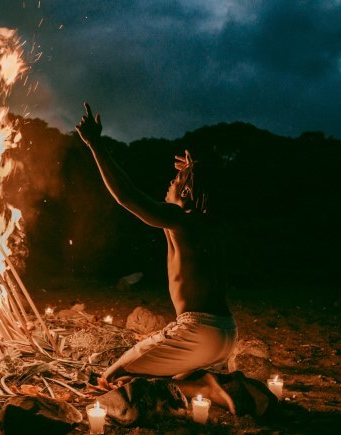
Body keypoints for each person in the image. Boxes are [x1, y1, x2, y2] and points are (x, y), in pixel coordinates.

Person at [76, 102, 242, 413]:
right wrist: (196, 170)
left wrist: (95, 144)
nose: (170, 182)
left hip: (197, 331)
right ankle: (215, 381)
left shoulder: (180, 218)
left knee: (114, 377)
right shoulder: (210, 228)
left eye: (177, 181)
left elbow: (127, 196)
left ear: (189, 192)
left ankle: (201, 385)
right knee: (145, 371)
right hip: (226, 333)